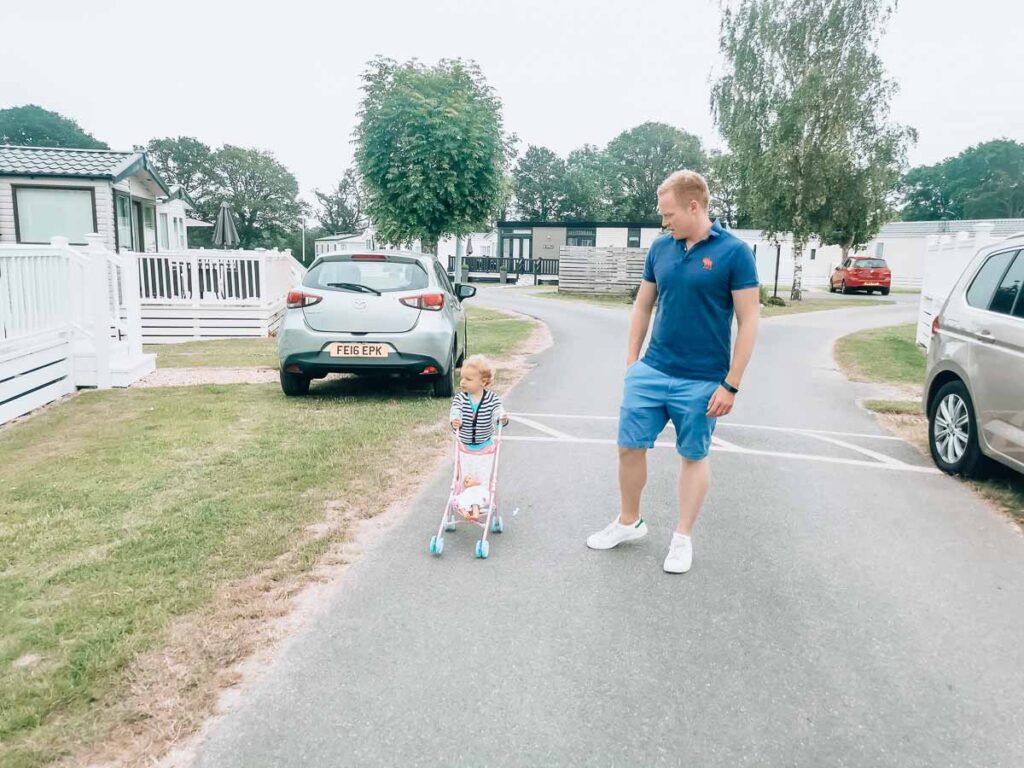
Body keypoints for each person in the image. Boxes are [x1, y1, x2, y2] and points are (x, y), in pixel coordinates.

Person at [586, 170, 760, 574]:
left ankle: (682, 537)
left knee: (692, 455)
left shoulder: (734, 253)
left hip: (702, 380)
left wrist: (731, 384)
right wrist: (633, 363)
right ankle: (629, 522)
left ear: (694, 206)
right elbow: (643, 305)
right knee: (629, 447)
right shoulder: (661, 249)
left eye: (669, 214)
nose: (663, 222)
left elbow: (748, 320)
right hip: (652, 370)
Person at [449, 355, 509, 503]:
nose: (462, 382)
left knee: (482, 478)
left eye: (468, 379)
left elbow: (497, 410)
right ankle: (465, 501)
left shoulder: (492, 399)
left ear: (483, 381)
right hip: (465, 447)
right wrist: (455, 420)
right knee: (465, 477)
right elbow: (455, 411)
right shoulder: (460, 398)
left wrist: (501, 417)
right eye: (462, 378)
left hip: (485, 447)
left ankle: (482, 500)